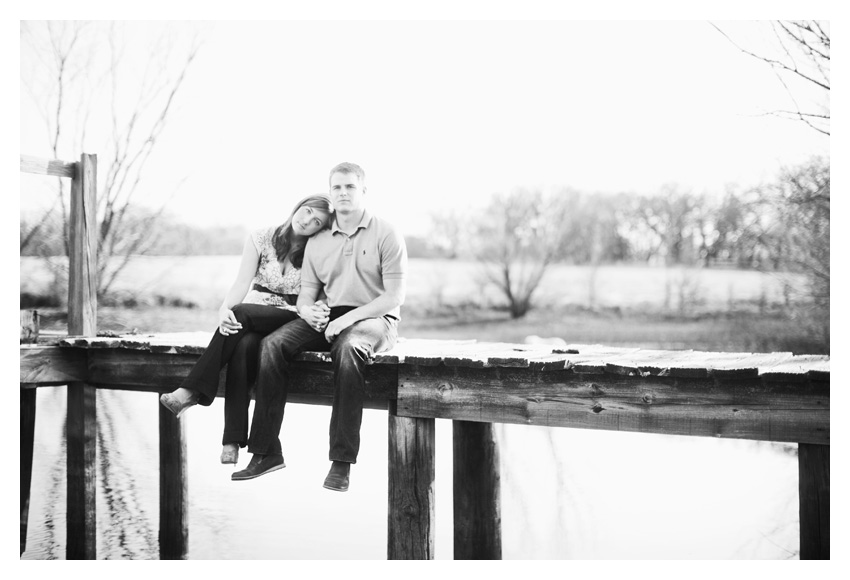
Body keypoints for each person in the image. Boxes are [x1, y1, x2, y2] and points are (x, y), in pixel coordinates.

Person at [231, 162, 407, 491]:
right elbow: (306, 295)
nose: (342, 193)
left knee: (348, 348)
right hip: (328, 316)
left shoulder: (386, 232)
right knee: (272, 344)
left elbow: (394, 296)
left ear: (363, 191)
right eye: (336, 187)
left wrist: (346, 320)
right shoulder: (318, 240)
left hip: (375, 319)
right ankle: (265, 452)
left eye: (350, 187)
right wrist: (307, 312)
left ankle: (341, 462)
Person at [159, 194, 335, 467]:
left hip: (291, 316)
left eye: (317, 222)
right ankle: (232, 440)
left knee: (241, 314)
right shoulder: (261, 237)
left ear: (321, 229)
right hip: (256, 312)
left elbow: (321, 293)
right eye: (307, 211)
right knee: (242, 345)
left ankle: (191, 391)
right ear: (298, 205)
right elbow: (242, 282)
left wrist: (237, 310)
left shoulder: (318, 249)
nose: (307, 221)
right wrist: (223, 310)